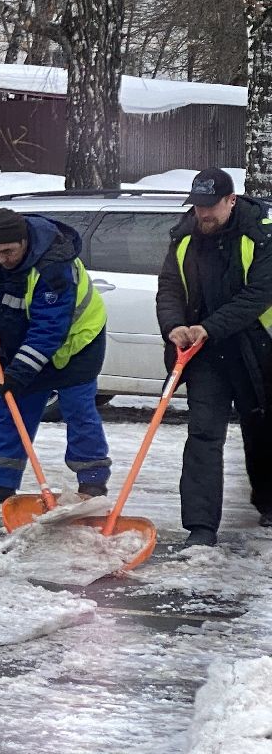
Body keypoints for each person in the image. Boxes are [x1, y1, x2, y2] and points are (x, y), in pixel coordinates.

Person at [0, 207, 112, 506]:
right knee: (11, 407)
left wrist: (20, 372)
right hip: (19, 337)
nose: (1, 259)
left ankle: (92, 483)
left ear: (25, 242)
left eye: (8, 252)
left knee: (77, 410)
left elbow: (49, 328)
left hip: (75, 343)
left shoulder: (53, 266)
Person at [156, 168, 272, 547]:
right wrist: (174, 326)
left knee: (262, 431)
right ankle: (201, 527)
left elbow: (257, 295)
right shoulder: (186, 235)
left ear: (231, 200)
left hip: (258, 350)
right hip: (205, 355)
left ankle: (268, 501)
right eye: (198, 206)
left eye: (211, 206)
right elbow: (170, 287)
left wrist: (209, 326)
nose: (203, 214)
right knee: (204, 434)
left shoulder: (261, 233)